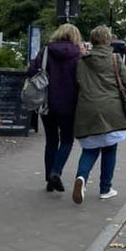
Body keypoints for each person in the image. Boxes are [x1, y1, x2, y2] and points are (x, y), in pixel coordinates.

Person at [72, 26, 126, 204]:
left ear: (92, 40)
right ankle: (105, 188)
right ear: (109, 40)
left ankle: (81, 177)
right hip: (112, 109)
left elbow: (76, 82)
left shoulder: (82, 61)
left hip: (87, 107)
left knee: (89, 149)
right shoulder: (115, 59)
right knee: (110, 148)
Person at [27, 24, 82, 193]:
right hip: (69, 104)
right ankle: (56, 171)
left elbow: (31, 72)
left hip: (47, 102)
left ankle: (49, 180)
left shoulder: (46, 51)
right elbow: (81, 79)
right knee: (67, 140)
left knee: (51, 140)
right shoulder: (78, 55)